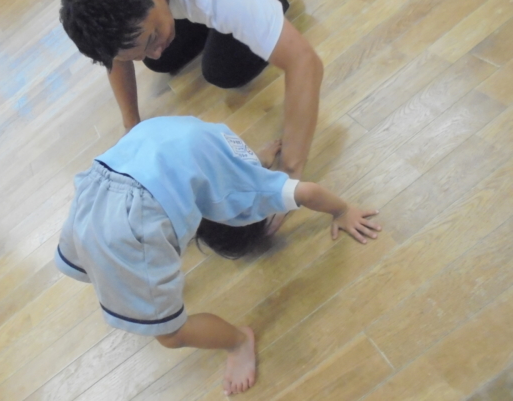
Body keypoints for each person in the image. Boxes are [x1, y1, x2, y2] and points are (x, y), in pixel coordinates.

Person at [55, 116, 381, 396]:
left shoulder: (220, 136)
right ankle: (238, 342)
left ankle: (131, 289)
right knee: (170, 334)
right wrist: (343, 211)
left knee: (92, 260)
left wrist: (259, 159)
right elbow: (307, 191)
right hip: (127, 224)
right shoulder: (241, 196)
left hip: (95, 184)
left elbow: (227, 165)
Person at [59, 0, 324, 184]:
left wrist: (289, 178)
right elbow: (115, 54)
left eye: (152, 39)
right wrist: (132, 128)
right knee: (159, 60)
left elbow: (304, 62)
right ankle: (209, 20)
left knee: (225, 70)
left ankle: (270, 0)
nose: (154, 50)